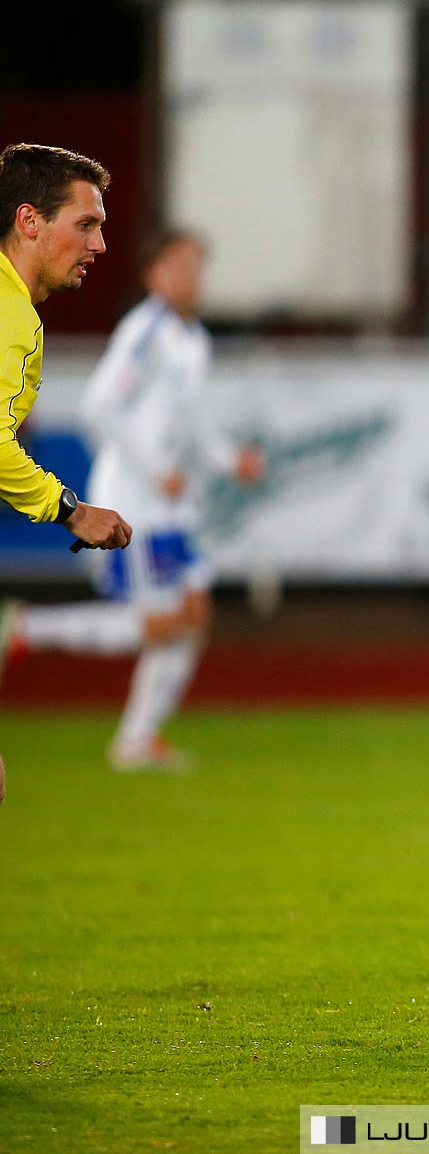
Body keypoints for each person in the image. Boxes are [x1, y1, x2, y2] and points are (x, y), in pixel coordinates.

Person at [1, 231, 262, 772]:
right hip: (136, 498)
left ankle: (139, 738)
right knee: (160, 622)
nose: (192, 276)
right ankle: (26, 629)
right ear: (155, 275)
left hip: (171, 503)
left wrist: (225, 458)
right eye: (180, 265)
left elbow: (188, 421)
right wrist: (154, 468)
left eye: (197, 266)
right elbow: (101, 407)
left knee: (194, 610)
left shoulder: (192, 338)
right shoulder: (146, 330)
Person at [0, 143, 133, 805]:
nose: (100, 243)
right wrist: (71, 510)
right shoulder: (8, 315)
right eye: (86, 224)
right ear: (30, 221)